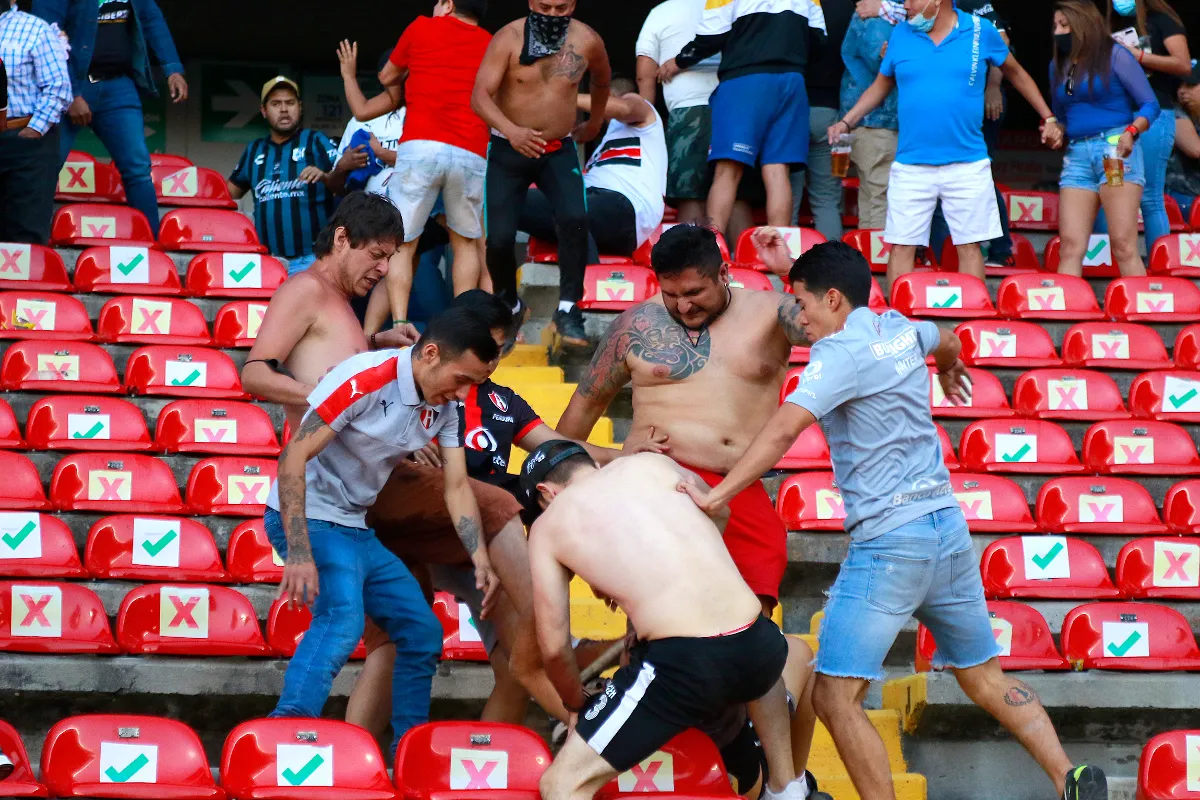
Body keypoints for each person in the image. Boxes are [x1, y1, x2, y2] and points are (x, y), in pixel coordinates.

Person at [679, 237, 1110, 800]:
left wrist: (718, 496)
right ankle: (1068, 776)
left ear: (833, 299)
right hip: (947, 532)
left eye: (803, 305)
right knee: (984, 677)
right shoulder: (900, 327)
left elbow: (784, 431)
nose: (800, 320)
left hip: (890, 543)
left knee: (834, 697)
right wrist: (951, 369)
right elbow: (948, 338)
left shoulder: (838, 356)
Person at [266, 307, 501, 755]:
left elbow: (456, 486)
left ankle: (409, 748)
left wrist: (481, 559)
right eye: (462, 379)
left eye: (474, 383)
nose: (464, 393)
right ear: (430, 354)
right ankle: (286, 736)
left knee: (422, 631)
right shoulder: (365, 377)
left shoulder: (445, 405)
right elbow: (293, 456)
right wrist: (298, 551)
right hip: (307, 515)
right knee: (341, 619)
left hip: (354, 525)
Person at [522, 442, 812, 800]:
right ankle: (785, 788)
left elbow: (552, 649)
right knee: (792, 653)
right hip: (758, 642)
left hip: (685, 663)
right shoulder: (652, 464)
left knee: (561, 784)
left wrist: (575, 706)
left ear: (546, 494)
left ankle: (778, 784)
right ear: (592, 464)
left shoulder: (550, 523)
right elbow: (718, 512)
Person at [556, 224, 811, 616]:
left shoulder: (772, 311)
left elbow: (846, 329)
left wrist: (792, 271)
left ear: (724, 273)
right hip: (656, 484)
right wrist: (593, 472)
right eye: (671, 295)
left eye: (695, 293)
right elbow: (575, 423)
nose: (684, 307)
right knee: (662, 617)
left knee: (751, 622)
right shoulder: (634, 326)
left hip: (738, 486)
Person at [829, 0, 1062, 287]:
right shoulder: (902, 33)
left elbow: (1016, 72)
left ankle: (970, 320)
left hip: (968, 163)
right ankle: (900, 321)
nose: (906, 5)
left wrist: (1048, 117)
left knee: (969, 246)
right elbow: (881, 84)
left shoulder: (980, 30)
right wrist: (846, 122)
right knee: (902, 246)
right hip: (912, 164)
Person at [338, 0, 492, 334]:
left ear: (448, 4)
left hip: (422, 145)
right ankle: (465, 327)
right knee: (465, 243)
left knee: (403, 244)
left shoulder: (423, 26)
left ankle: (400, 323)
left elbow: (387, 75)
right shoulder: (492, 43)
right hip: (471, 148)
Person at [471, 0, 611, 352]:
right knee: (500, 238)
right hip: (508, 148)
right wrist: (511, 131)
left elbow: (602, 80)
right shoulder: (508, 37)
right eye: (545, 6)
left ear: (574, 5)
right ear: (532, 2)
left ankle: (568, 308)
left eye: (561, 7)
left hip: (557, 149)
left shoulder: (588, 39)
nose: (552, 13)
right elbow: (479, 96)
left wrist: (594, 122)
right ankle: (508, 302)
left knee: (575, 217)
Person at [659, 0, 827, 239]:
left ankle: (711, 248)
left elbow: (710, 38)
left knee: (727, 170)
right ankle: (776, 253)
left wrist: (678, 61)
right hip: (792, 80)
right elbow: (819, 40)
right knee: (778, 169)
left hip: (745, 81)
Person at [32, 0, 185, 233]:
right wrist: (71, 92)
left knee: (138, 168)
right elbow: (44, 34)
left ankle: (149, 247)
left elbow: (151, 19)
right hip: (65, 86)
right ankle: (31, 244)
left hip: (117, 85)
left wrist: (172, 68)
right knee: (43, 166)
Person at [1051, 0, 1158, 278]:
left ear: (1082, 25)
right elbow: (1062, 115)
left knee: (1123, 244)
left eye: (1064, 25)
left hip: (1115, 151)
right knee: (1070, 246)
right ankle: (1064, 315)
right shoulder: (1058, 65)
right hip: (1077, 155)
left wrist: (1131, 132)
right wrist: (1054, 128)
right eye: (1055, 26)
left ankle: (1141, 314)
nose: (1058, 32)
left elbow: (1150, 104)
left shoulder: (1115, 55)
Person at [518, 78, 666, 266]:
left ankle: (587, 284)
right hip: (594, 208)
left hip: (626, 207)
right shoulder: (601, 149)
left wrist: (565, 98)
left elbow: (625, 108)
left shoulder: (645, 115)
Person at [227, 76, 366, 275]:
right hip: (267, 260)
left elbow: (344, 189)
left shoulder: (316, 141)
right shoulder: (254, 150)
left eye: (290, 103)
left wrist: (326, 176)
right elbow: (228, 195)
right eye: (276, 104)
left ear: (300, 107)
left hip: (313, 258)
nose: (284, 109)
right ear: (264, 111)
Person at [927, 0, 1017, 269]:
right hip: (943, 106)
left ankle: (1001, 249)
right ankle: (939, 256)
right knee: (936, 176)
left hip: (979, 104)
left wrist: (992, 86)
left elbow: (1003, 43)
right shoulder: (918, 9)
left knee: (978, 175)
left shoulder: (974, 3)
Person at [1105, 0, 1190, 253]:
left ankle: (1159, 268)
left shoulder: (1161, 19)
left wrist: (1138, 56)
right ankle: (1108, 266)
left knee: (1150, 197)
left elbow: (1183, 64)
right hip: (1115, 117)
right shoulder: (1111, 24)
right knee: (1110, 192)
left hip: (1155, 114)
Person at [634, 0, 720, 225]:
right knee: (735, 193)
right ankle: (740, 259)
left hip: (690, 112)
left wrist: (646, 121)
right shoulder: (727, 7)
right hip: (734, 107)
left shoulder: (662, 12)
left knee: (690, 195)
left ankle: (690, 259)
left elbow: (646, 71)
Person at [0, 0, 69, 244]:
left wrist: (35, 129)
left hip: (24, 140)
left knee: (25, 236)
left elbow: (58, 87)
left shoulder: (36, 29)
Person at [792, 0, 853, 242]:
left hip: (792, 110)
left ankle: (785, 269)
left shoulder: (791, 5)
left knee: (789, 197)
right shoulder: (850, 8)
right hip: (832, 115)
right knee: (827, 200)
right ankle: (833, 266)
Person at [839, 6, 898, 230]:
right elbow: (882, 65)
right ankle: (877, 263)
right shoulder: (873, 16)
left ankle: (870, 261)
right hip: (878, 120)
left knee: (872, 197)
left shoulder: (881, 10)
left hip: (872, 120)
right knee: (879, 198)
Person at [334, 52, 407, 199]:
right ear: (383, 76)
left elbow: (425, 164)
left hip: (412, 210)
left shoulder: (421, 113)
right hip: (369, 214)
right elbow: (336, 188)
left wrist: (381, 153)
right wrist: (343, 166)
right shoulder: (361, 120)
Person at [1167, 64, 1200, 219]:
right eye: (1179, 85)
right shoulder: (1175, 114)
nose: (1182, 91)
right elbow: (1195, 149)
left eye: (1190, 85)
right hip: (1182, 196)